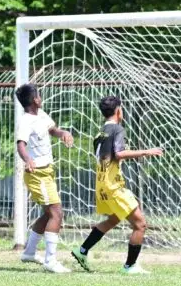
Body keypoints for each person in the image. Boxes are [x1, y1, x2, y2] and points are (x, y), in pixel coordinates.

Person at [71, 96, 163, 274]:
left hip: (102, 185)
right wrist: (147, 151)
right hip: (113, 186)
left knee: (113, 219)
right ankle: (130, 266)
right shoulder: (117, 129)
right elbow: (119, 154)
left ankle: (81, 251)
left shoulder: (100, 133)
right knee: (140, 224)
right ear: (119, 111)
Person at [14, 83, 74, 273]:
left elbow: (52, 130)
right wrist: (27, 159)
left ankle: (30, 252)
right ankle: (50, 261)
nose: (41, 98)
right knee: (57, 213)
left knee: (49, 213)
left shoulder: (41, 115)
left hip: (47, 171)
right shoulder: (25, 121)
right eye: (39, 95)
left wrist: (62, 133)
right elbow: (21, 144)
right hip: (37, 173)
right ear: (34, 99)